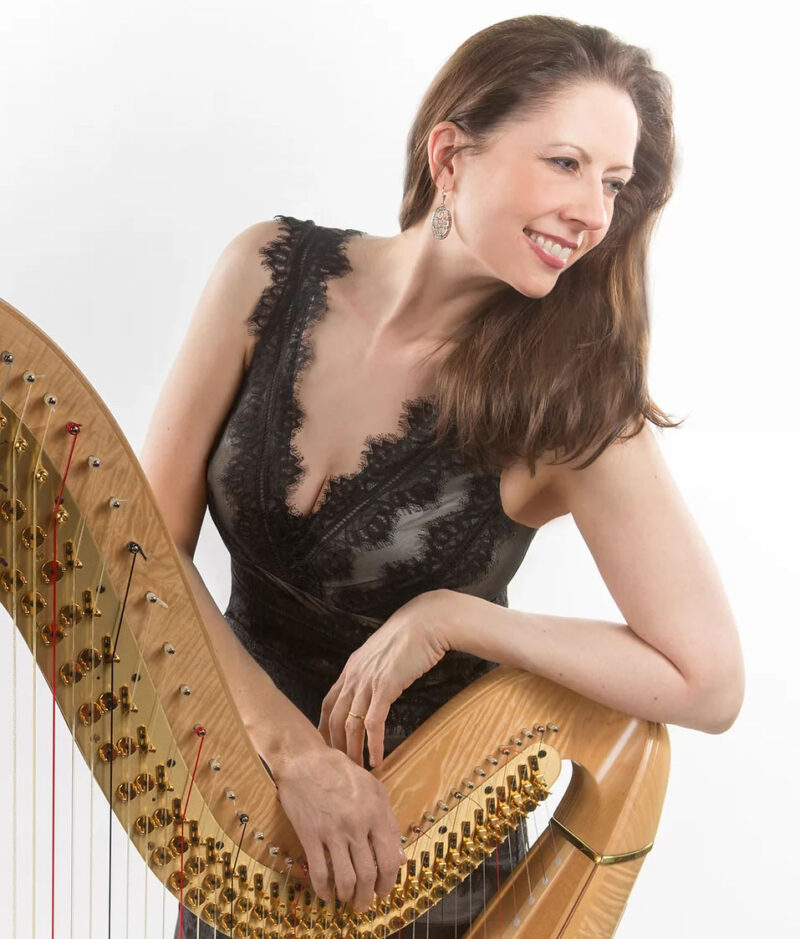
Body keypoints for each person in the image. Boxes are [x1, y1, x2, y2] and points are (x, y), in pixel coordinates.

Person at [141, 14, 745, 939]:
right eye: (566, 163)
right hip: (244, 833)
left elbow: (708, 682)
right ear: (450, 155)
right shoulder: (266, 272)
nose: (594, 212)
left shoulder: (569, 405)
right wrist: (292, 753)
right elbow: (143, 556)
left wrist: (457, 618)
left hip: (424, 865)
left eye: (613, 182)